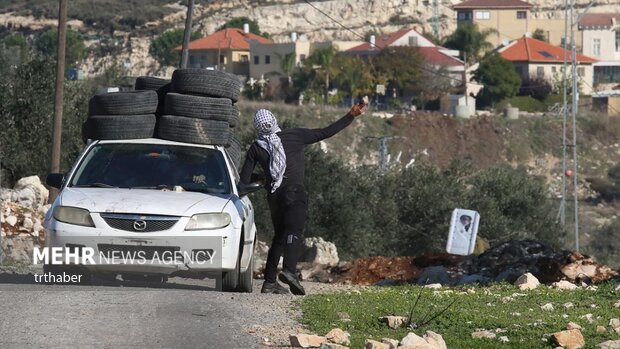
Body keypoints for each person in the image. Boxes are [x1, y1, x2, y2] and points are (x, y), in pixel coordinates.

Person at [240, 102, 368, 295]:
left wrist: (264, 178)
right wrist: (350, 115)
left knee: (279, 238)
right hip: (294, 194)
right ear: (274, 121)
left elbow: (244, 181)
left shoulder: (256, 147)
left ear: (257, 127)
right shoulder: (294, 135)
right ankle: (290, 271)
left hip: (274, 198)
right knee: (294, 231)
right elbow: (326, 132)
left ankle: (269, 282)